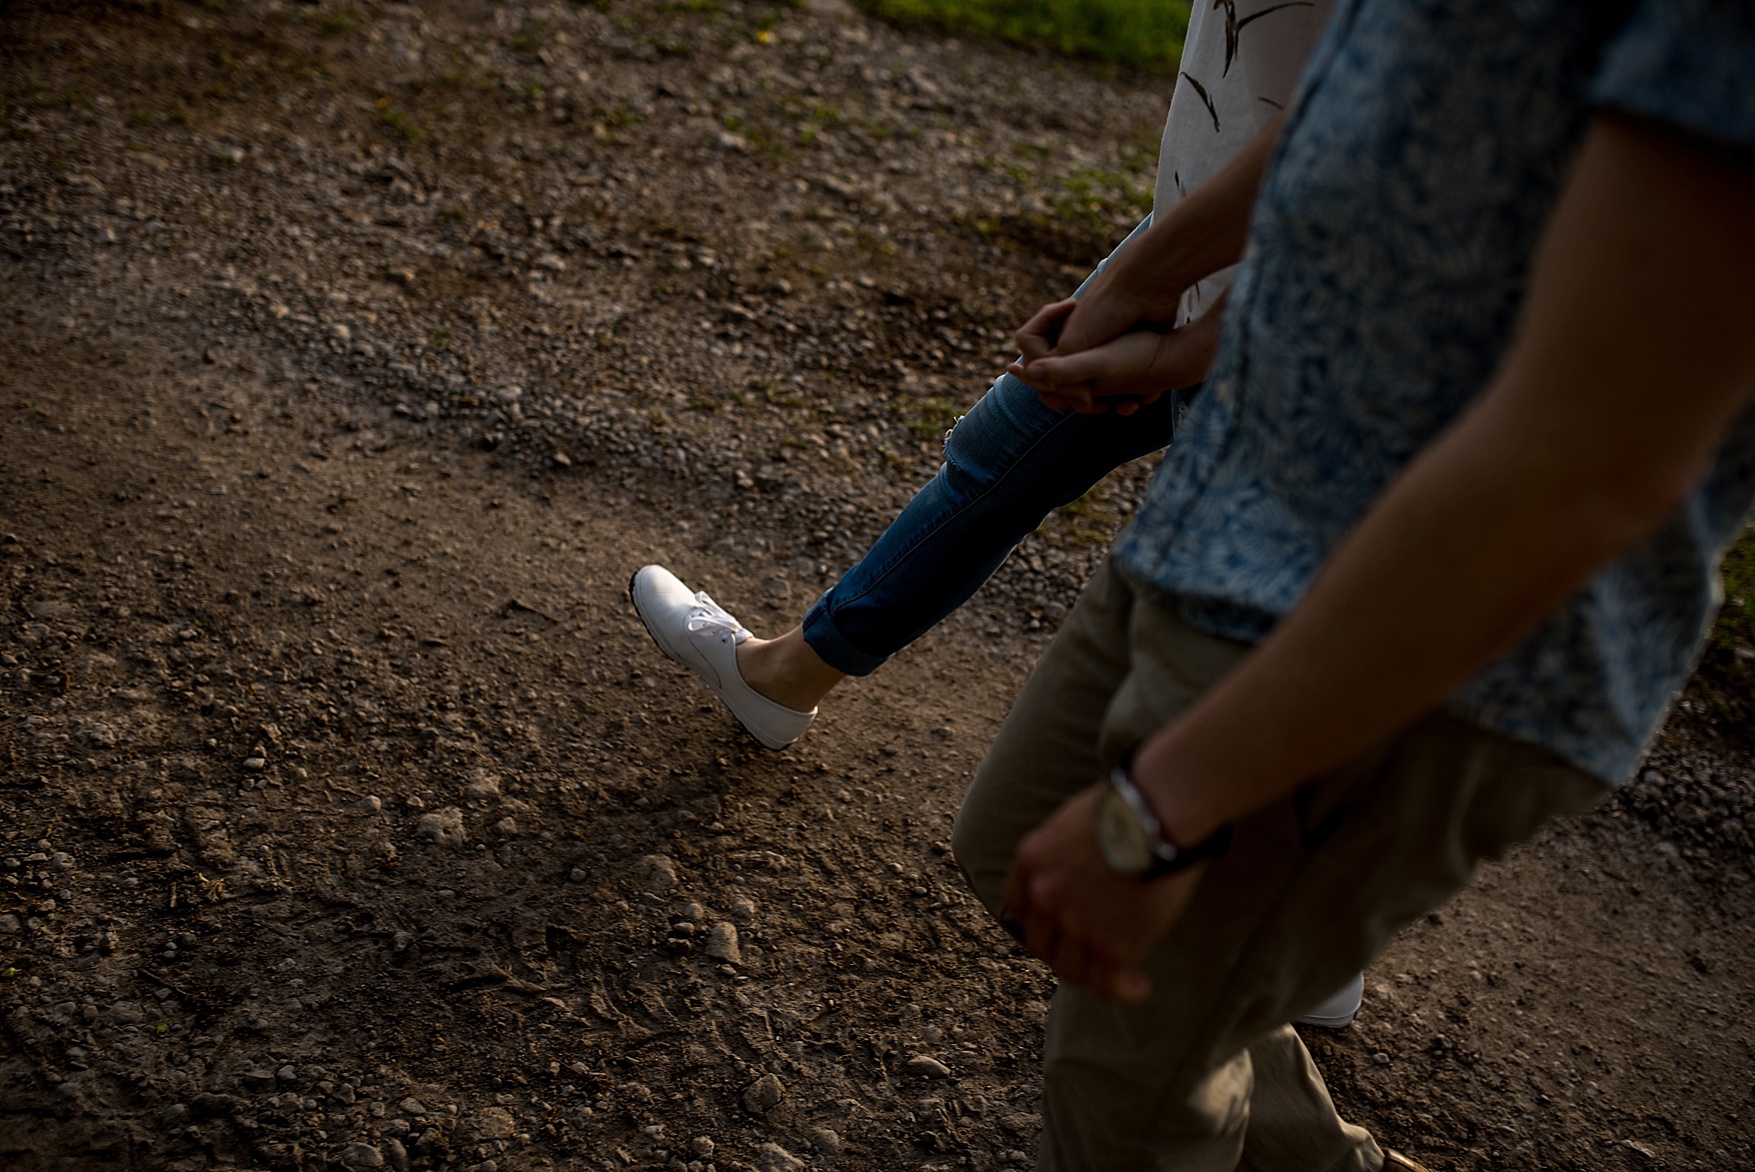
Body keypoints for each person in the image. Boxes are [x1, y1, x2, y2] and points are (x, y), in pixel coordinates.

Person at [950, 1, 1755, 1169]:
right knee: (1019, 842)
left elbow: (1592, 461)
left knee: (1125, 1095)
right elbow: (1396, 117)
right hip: (1229, 503)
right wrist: (1163, 296)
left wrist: (1157, 810)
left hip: (1411, 622)